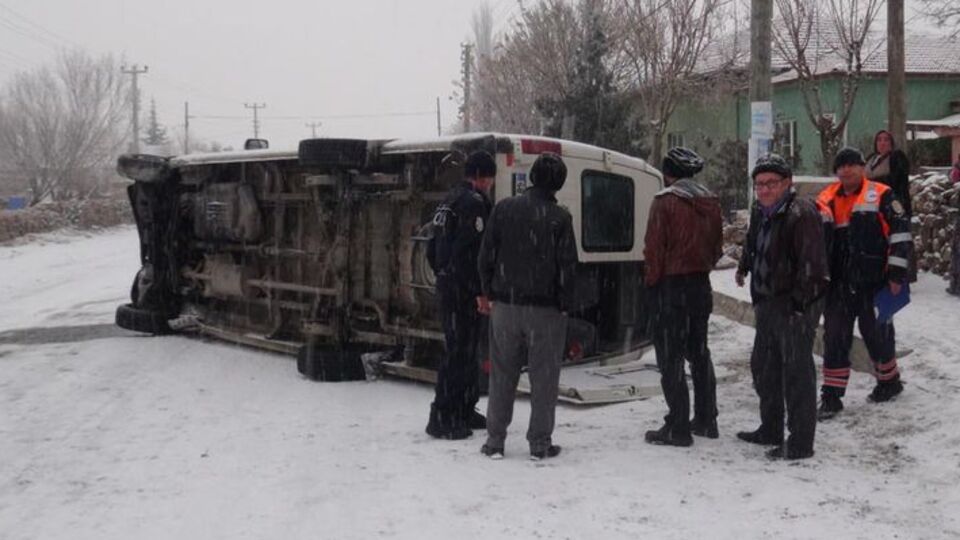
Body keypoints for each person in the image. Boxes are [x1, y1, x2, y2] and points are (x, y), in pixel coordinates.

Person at [477, 152, 577, 460]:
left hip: (505, 307)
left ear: (531, 177)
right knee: (544, 377)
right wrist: (565, 303)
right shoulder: (559, 217)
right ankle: (539, 443)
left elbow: (485, 257)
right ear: (558, 184)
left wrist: (486, 292)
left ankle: (495, 441)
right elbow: (568, 268)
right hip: (545, 311)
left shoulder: (504, 208)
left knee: (502, 374)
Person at [735, 154, 830, 460]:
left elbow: (813, 265)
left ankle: (801, 442)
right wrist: (744, 266)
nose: (763, 190)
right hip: (766, 300)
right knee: (764, 367)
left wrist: (800, 306)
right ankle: (771, 428)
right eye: (759, 184)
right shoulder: (760, 211)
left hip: (793, 303)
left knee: (796, 373)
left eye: (771, 183)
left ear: (787, 183)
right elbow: (754, 242)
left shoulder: (800, 214)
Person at [816, 147, 912, 419]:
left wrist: (895, 275)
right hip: (838, 283)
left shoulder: (882, 194)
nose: (846, 171)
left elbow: (901, 235)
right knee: (834, 336)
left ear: (862, 167)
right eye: (841, 166)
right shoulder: (825, 199)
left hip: (875, 281)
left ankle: (889, 382)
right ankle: (831, 397)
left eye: (852, 165)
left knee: (877, 334)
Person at [642, 147, 723, 447]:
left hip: (671, 288)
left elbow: (654, 250)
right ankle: (706, 418)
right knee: (699, 353)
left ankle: (678, 426)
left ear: (668, 174)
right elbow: (717, 250)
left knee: (671, 358)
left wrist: (651, 285)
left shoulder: (665, 202)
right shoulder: (711, 202)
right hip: (700, 286)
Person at [424, 150, 495, 440]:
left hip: (447, 284)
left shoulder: (449, 200)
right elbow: (473, 253)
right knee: (459, 354)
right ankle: (443, 416)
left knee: (463, 351)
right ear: (481, 176)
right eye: (490, 178)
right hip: (462, 289)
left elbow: (432, 247)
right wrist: (479, 291)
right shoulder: (473, 204)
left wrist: (443, 273)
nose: (490, 184)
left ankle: (464, 408)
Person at [867, 130, 915, 282]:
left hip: (893, 205)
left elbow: (899, 181)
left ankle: (903, 272)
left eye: (886, 140)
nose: (882, 143)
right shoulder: (871, 159)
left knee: (898, 239)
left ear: (891, 143)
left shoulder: (896, 158)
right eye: (879, 140)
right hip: (874, 206)